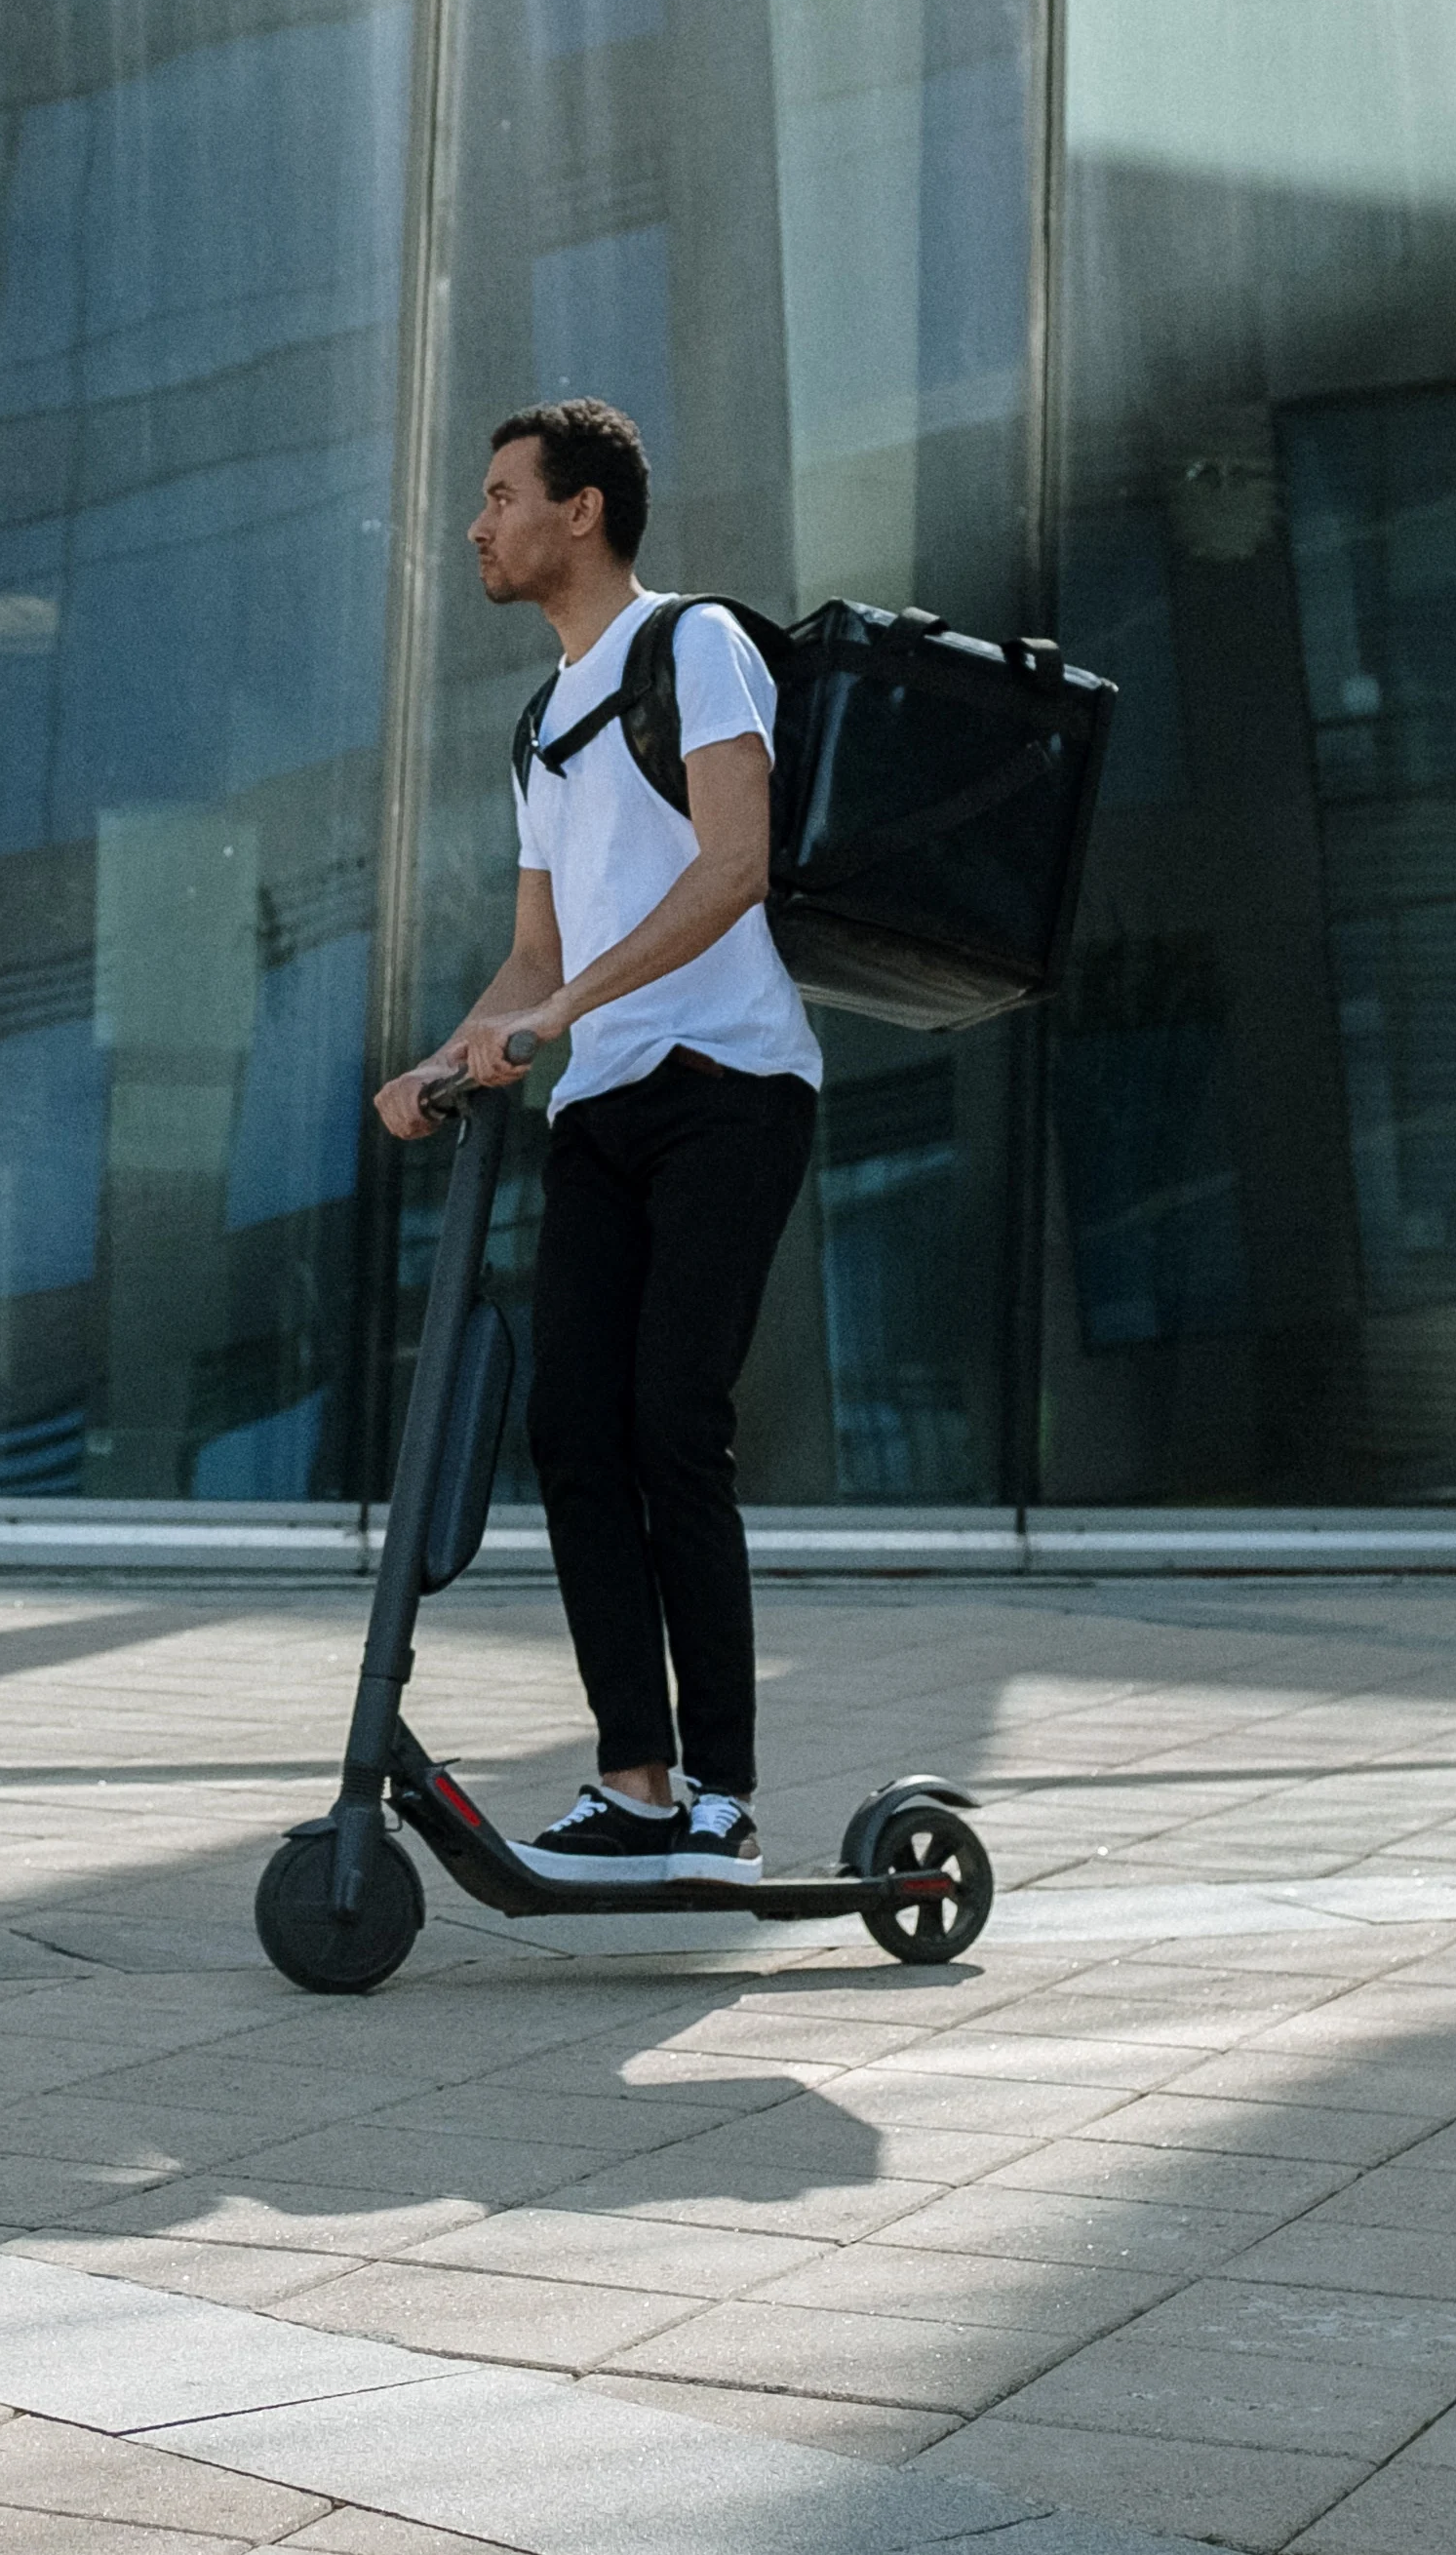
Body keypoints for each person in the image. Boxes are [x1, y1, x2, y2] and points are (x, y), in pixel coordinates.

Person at [372, 400, 820, 1891]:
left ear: (582, 511)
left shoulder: (692, 647)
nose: (478, 524)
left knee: (672, 1418)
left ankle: (724, 1795)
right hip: (607, 1107)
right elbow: (533, 951)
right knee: (572, 1426)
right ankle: (635, 1778)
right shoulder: (538, 726)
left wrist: (560, 1008)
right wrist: (443, 1060)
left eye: (501, 496)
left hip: (730, 1088)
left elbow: (734, 865)